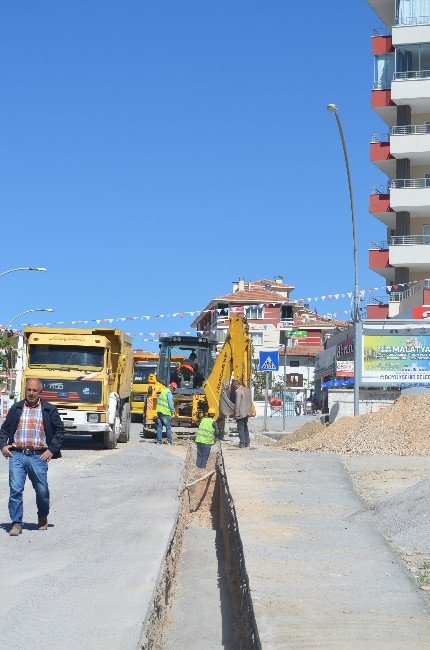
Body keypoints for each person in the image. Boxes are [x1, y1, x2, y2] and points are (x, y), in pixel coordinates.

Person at [0, 378, 65, 537]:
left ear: (40, 392)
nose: (31, 393)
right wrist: (3, 445)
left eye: (34, 390)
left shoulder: (49, 410)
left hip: (38, 457)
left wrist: (51, 450)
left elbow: (60, 431)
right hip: (17, 455)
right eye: (29, 390)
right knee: (15, 489)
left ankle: (42, 516)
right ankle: (16, 523)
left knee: (42, 491)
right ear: (25, 390)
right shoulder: (16, 408)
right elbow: (5, 429)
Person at [231, 379, 253, 448]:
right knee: (245, 427)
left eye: (233, 387)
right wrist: (250, 411)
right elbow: (250, 401)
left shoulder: (238, 392)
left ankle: (242, 443)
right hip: (247, 412)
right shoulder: (247, 390)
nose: (234, 388)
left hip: (241, 413)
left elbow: (237, 404)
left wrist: (236, 414)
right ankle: (247, 443)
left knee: (240, 428)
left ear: (236, 385)